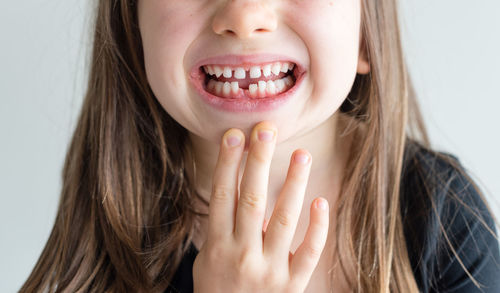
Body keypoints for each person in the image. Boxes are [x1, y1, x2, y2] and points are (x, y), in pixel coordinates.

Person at [20, 0, 500, 292]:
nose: (244, 17)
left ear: (365, 37)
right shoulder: (108, 231)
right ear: (133, 28)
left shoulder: (441, 214)